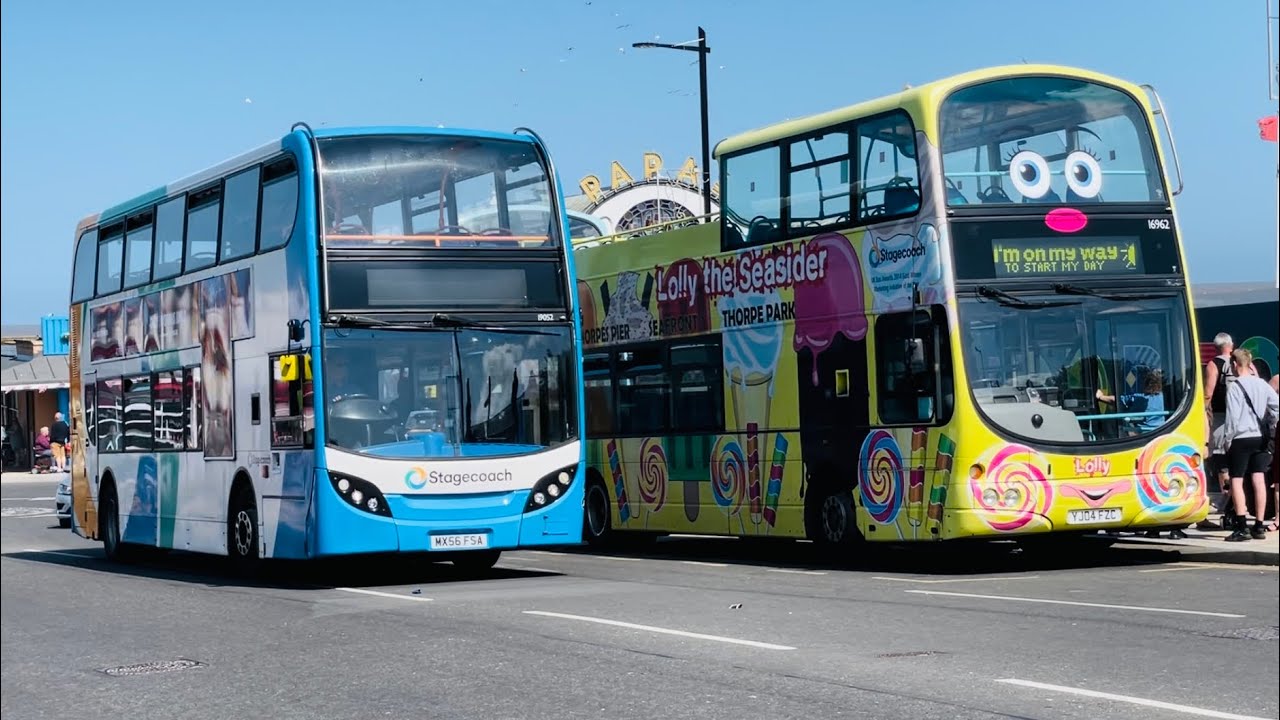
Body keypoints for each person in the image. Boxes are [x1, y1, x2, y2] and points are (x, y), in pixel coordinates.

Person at [1222, 348, 1279, 542]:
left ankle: (1241, 526)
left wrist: (1227, 440)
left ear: (1235, 365)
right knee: (1259, 478)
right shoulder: (1262, 384)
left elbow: (1233, 419)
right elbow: (1276, 406)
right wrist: (1271, 424)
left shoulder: (1235, 387)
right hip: (1260, 437)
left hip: (1241, 438)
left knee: (1237, 480)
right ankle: (1259, 525)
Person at [1202, 332, 1236, 529]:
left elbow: (1208, 392)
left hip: (1222, 418)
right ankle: (1236, 499)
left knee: (1221, 459)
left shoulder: (1214, 364)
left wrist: (1203, 414)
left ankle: (1226, 501)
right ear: (1231, 346)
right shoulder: (1243, 364)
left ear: (1216, 348)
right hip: (1242, 421)